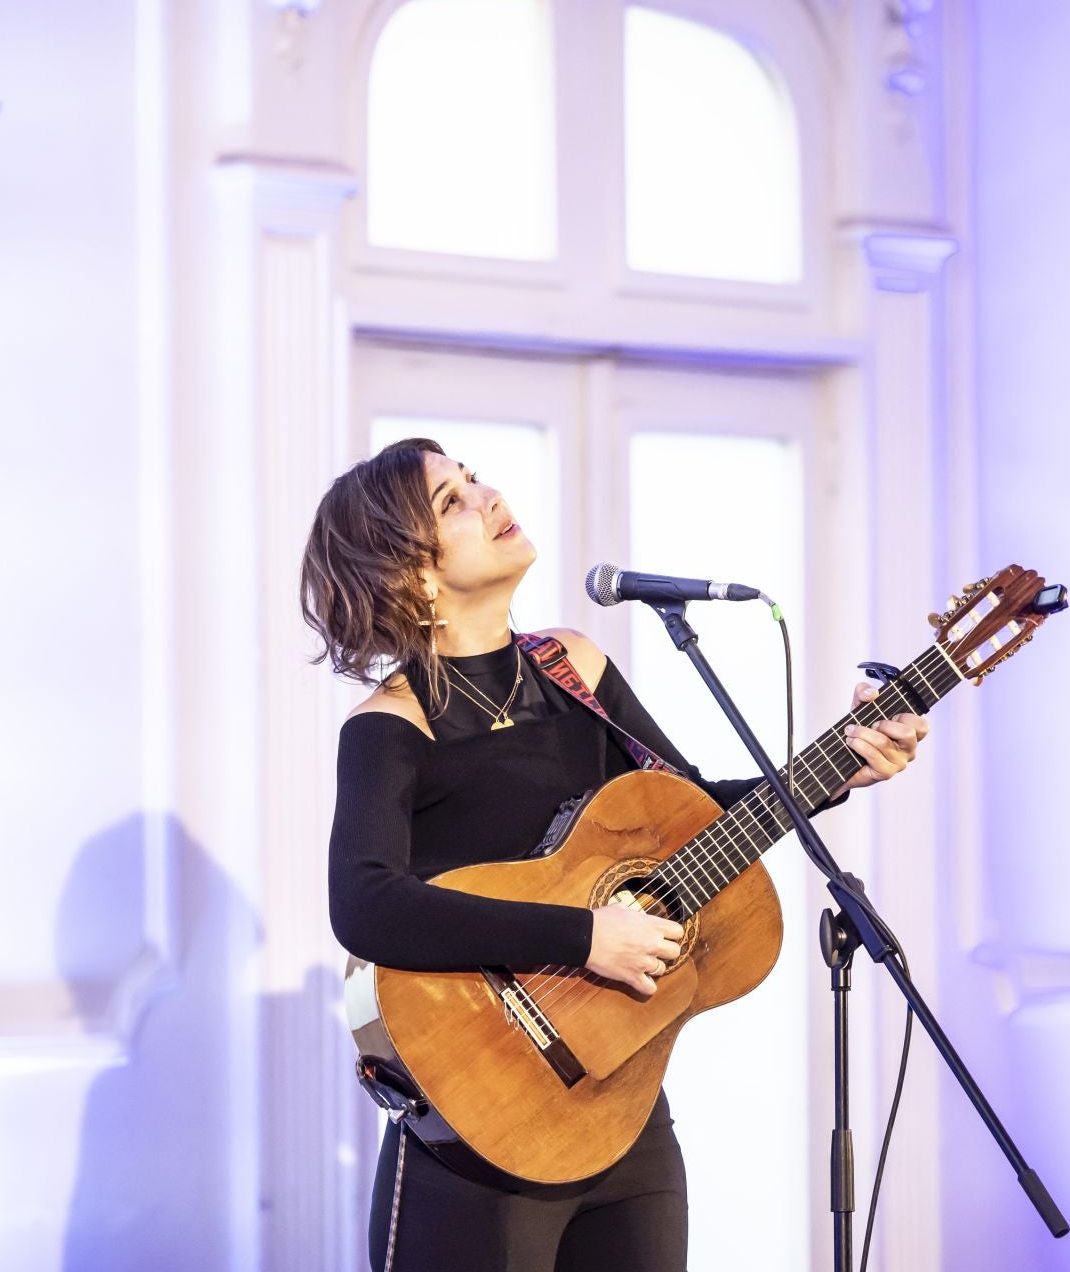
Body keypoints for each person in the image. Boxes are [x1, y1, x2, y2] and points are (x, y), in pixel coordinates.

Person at [301, 437, 928, 1272]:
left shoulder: (575, 668)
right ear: (409, 575)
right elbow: (367, 903)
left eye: (473, 477)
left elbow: (696, 816)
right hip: (477, 1134)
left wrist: (843, 764)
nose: (488, 496)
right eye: (451, 501)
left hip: (620, 1112)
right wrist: (585, 937)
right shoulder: (392, 723)